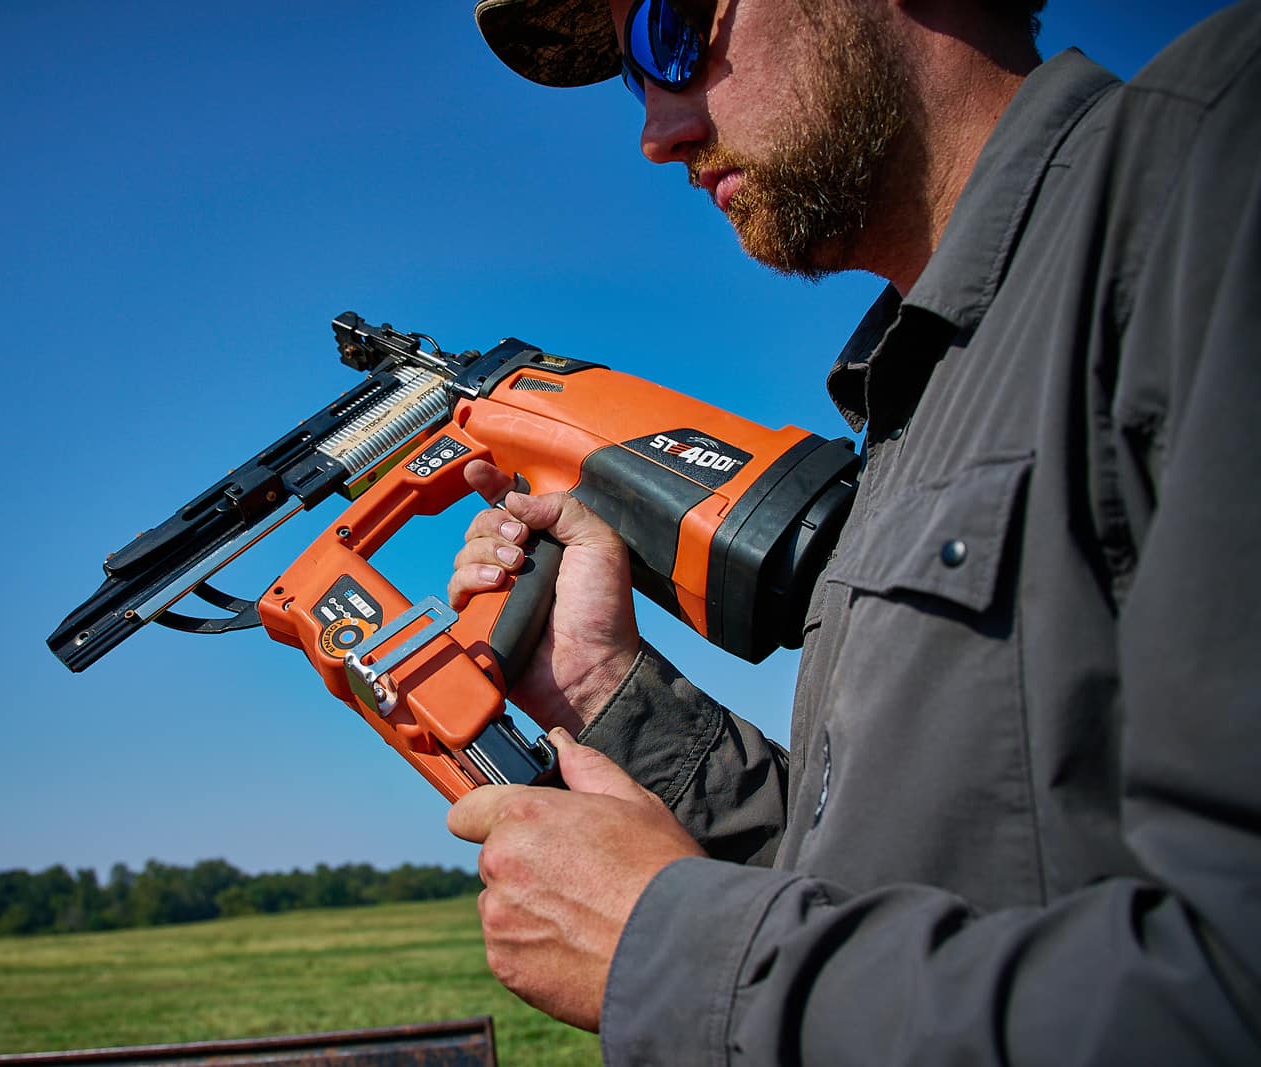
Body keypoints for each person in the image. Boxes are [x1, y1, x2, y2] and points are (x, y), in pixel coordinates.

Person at [444, 0, 1261, 1061]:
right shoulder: (911, 403)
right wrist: (606, 689)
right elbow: (884, 882)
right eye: (630, 80)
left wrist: (678, 953)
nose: (658, 131)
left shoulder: (1214, 165)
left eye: (673, 30)